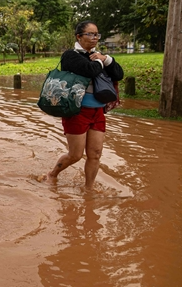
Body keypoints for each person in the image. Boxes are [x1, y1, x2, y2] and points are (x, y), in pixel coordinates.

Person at [42, 20, 124, 190]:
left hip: (97, 111)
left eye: (97, 34)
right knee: (75, 155)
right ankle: (52, 174)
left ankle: (89, 189)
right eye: (90, 34)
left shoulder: (99, 56)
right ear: (79, 36)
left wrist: (106, 59)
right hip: (77, 111)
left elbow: (119, 74)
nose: (95, 38)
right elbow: (89, 70)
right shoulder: (70, 56)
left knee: (95, 154)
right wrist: (101, 61)